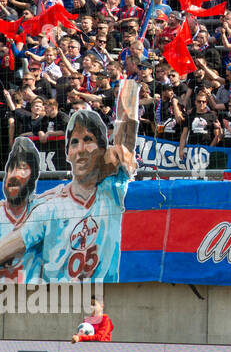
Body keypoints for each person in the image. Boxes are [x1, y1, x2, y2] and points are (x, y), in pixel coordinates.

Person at [0, 81, 138, 282]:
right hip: (57, 304)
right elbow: (12, 245)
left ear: (103, 150)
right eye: (74, 142)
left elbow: (125, 145)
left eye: (88, 140)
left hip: (100, 302)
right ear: (68, 154)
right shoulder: (49, 207)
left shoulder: (113, 189)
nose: (81, 149)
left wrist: (130, 87)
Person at [0, 136, 40, 281]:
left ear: (33, 175)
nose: (14, 175)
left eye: (22, 167)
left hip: (34, 296)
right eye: (11, 168)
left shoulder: (44, 211)